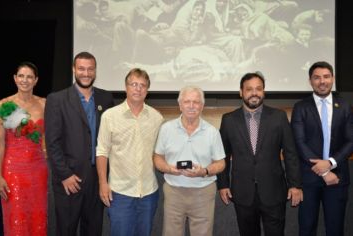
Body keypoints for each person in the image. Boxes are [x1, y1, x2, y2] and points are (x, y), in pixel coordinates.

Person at [217, 72, 303, 236]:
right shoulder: (228, 120)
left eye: (258, 89)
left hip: (274, 191)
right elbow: (223, 155)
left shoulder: (278, 117)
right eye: (249, 89)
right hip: (242, 192)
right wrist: (223, 184)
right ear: (241, 92)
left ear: (264, 91)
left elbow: (291, 153)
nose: (254, 93)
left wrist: (295, 185)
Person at [45, 52, 114, 236]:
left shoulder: (106, 99)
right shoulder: (56, 100)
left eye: (90, 69)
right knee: (66, 230)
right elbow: (52, 143)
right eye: (81, 68)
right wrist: (65, 175)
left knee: (93, 230)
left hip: (96, 178)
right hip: (69, 180)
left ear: (95, 71)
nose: (86, 73)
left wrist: (104, 178)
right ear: (74, 70)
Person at [96, 68, 163, 236]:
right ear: (126, 87)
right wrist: (103, 183)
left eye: (143, 85)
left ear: (147, 90)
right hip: (120, 193)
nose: (138, 89)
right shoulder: (110, 116)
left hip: (148, 193)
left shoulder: (157, 118)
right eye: (134, 84)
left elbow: (161, 152)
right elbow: (102, 151)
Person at [291, 61, 353, 236]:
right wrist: (325, 172)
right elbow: (300, 142)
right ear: (310, 81)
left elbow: (351, 141)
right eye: (317, 77)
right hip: (309, 179)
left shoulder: (345, 106)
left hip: (337, 178)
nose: (322, 81)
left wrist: (331, 163)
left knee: (335, 229)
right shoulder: (300, 107)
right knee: (307, 228)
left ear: (333, 79)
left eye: (326, 76)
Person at [153, 86, 225, 236]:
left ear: (202, 106)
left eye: (196, 102)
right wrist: (168, 168)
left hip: (203, 193)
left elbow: (221, 163)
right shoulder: (166, 129)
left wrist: (204, 171)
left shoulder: (212, 132)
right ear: (180, 105)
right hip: (174, 192)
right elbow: (157, 158)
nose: (191, 106)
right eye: (187, 102)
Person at [0, 62, 47, 235]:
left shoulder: (44, 104)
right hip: (12, 172)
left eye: (29, 77)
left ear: (36, 80)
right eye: (21, 76)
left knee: (38, 219)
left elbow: (47, 139)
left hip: (39, 172)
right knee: (16, 220)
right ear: (14, 78)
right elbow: (0, 143)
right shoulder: (4, 105)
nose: (24, 80)